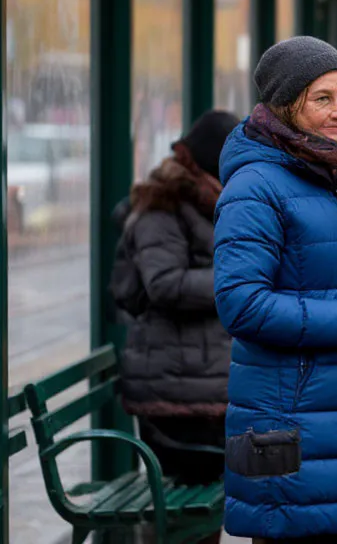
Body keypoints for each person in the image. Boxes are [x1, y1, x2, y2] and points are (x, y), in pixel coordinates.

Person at [214, 37, 337, 544]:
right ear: (286, 105)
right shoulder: (256, 187)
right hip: (287, 428)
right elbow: (242, 305)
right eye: (323, 99)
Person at [110, 109, 240, 492]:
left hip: (199, 375)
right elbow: (164, 284)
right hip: (177, 388)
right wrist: (240, 283)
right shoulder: (163, 205)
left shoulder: (210, 201)